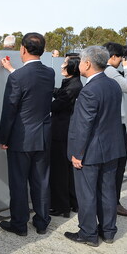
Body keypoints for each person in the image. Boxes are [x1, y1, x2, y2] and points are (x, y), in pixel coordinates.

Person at [64, 45, 125, 247]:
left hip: (90, 152)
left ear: (87, 63)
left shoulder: (90, 89)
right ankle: (108, 232)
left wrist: (77, 154)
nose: (79, 64)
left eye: (81, 60)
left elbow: (83, 126)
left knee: (87, 193)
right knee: (108, 191)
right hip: (112, 149)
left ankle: (88, 233)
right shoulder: (113, 85)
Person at [0, 32, 55, 236]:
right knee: (41, 181)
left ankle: (19, 224)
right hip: (42, 136)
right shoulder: (50, 73)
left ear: (22, 49)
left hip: (20, 139)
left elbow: (9, 110)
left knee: (19, 182)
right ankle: (41, 222)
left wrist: (3, 138)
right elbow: (32, 87)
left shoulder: (17, 77)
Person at [103, 41, 127, 217]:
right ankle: (113, 204)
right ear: (114, 57)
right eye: (121, 57)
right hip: (116, 126)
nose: (122, 60)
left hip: (110, 125)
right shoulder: (110, 71)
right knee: (117, 168)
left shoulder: (106, 71)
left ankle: (111, 203)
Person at [49, 54, 82, 218]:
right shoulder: (72, 84)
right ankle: (71, 203)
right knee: (66, 171)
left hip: (61, 133)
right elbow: (60, 94)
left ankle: (61, 207)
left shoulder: (73, 87)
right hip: (64, 132)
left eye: (65, 63)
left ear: (74, 68)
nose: (62, 66)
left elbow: (56, 105)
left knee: (59, 171)